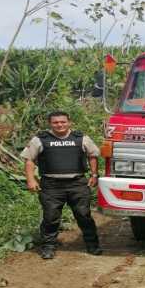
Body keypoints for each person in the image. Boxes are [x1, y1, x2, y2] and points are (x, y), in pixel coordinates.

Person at [20, 111, 102, 259]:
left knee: (84, 215)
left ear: (69, 122)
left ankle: (93, 245)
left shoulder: (81, 138)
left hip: (77, 183)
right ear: (50, 124)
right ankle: (48, 247)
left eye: (63, 122)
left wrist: (94, 175)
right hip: (51, 185)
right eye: (55, 122)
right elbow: (29, 160)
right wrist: (30, 180)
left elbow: (93, 155)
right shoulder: (40, 139)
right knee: (51, 217)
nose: (59, 125)